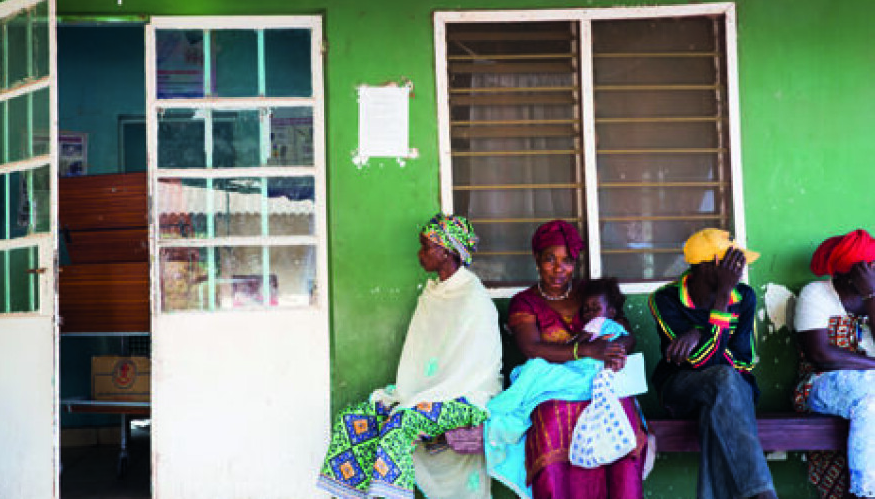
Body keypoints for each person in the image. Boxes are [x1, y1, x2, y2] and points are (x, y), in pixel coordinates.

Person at [316, 213, 503, 499]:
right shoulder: (433, 293)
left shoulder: (472, 299)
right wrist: (417, 396)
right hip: (424, 394)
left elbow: (473, 369)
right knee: (353, 421)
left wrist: (429, 398)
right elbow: (421, 356)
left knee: (400, 426)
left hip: (467, 398)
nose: (420, 254)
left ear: (446, 250)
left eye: (426, 246)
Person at [505, 220, 645, 499]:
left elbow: (626, 333)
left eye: (567, 261)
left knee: (621, 421)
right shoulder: (525, 302)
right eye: (550, 260)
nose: (559, 269)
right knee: (552, 422)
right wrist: (587, 351)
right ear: (536, 259)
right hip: (552, 388)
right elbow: (531, 347)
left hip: (600, 381)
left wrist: (615, 349)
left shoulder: (589, 295)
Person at [649, 228, 777, 499]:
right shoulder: (666, 299)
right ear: (710, 267)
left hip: (730, 392)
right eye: (733, 263)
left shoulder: (744, 297)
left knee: (719, 400)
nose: (740, 270)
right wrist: (721, 304)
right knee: (724, 379)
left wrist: (699, 333)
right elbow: (698, 363)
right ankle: (760, 492)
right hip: (682, 389)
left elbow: (743, 360)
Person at [793, 229, 875, 499]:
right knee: (871, 400)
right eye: (871, 266)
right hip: (818, 387)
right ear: (853, 272)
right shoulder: (815, 294)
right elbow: (821, 354)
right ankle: (864, 493)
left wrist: (871, 296)